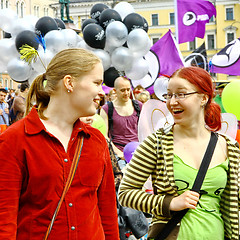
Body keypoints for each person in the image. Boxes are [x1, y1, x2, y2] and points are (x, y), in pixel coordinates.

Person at [0, 48, 119, 240]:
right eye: (97, 83)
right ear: (69, 83)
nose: (101, 92)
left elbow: (108, 214)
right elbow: (4, 220)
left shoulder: (97, 141)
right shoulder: (15, 139)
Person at [118, 66, 240, 240]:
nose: (172, 101)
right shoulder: (156, 143)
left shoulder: (228, 145)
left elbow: (234, 200)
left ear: (203, 98)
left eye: (181, 94)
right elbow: (125, 193)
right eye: (169, 94)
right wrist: (170, 203)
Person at [100, 76, 142, 159]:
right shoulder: (107, 109)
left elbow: (146, 130)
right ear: (115, 91)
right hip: (118, 154)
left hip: (138, 152)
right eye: (122, 90)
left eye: (128, 89)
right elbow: (104, 135)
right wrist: (118, 153)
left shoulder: (139, 106)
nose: (126, 93)